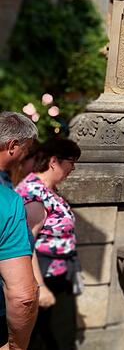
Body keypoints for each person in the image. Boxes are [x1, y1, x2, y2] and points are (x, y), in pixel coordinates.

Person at [17, 138, 82, 350]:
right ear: (54, 161)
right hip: (43, 277)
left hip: (60, 277)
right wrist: (41, 287)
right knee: (45, 342)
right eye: (71, 161)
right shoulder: (34, 193)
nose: (73, 167)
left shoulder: (49, 191)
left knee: (60, 339)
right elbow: (25, 244)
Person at [0, 112, 39, 349]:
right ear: (13, 146)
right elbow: (22, 295)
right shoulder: (9, 202)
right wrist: (15, 346)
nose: (27, 156)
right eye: (27, 149)